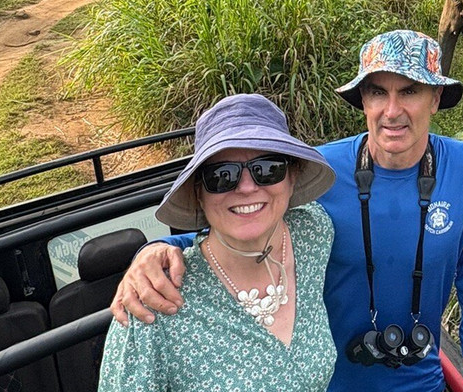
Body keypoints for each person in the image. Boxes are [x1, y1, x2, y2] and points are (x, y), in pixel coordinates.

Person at [112, 30, 463, 392]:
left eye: (409, 92)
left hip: (423, 381)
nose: (391, 110)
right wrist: (155, 250)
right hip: (324, 380)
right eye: (376, 93)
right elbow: (241, 222)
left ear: (436, 98)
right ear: (362, 101)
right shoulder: (321, 173)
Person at [99, 93, 338, 392]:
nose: (247, 187)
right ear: (199, 193)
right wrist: (149, 251)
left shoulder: (312, 232)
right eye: (222, 175)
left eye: (268, 169)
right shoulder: (153, 305)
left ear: (292, 177)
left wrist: (152, 247)